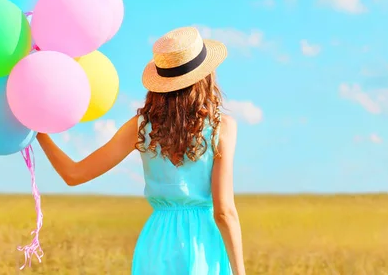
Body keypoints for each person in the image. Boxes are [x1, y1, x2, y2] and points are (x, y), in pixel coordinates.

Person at [36, 26, 246, 274]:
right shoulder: (223, 127)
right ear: (206, 76)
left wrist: (39, 132)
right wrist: (240, 270)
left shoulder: (141, 127)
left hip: (156, 242)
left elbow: (74, 174)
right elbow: (224, 212)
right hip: (203, 244)